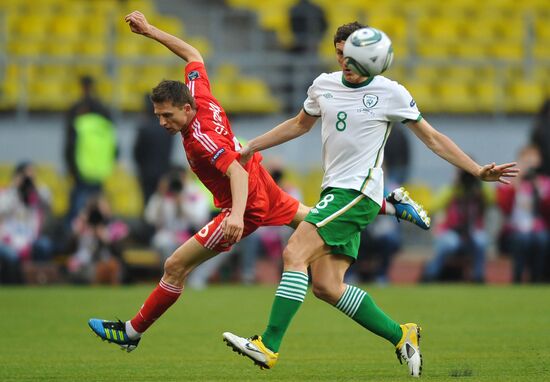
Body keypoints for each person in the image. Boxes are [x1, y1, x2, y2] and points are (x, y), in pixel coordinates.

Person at [88, 12, 430, 366]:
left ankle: (134, 332)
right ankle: (390, 218)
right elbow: (193, 55)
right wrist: (150, 31)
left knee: (175, 265)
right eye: (158, 116)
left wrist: (235, 216)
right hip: (262, 184)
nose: (162, 123)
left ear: (187, 109)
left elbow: (234, 170)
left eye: (167, 117)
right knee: (327, 285)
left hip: (246, 201)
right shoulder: (196, 94)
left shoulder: (202, 137)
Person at [221, 22, 518, 377]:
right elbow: (299, 124)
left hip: (358, 194)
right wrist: (252, 145)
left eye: (353, 55)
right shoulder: (324, 85)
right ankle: (402, 334)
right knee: (327, 287)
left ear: (372, 58)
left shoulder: (391, 93)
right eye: (341, 54)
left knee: (294, 252)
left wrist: (475, 170)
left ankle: (268, 344)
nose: (345, 61)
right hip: (334, 193)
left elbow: (433, 138)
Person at [421, 168, 493, 283]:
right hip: (451, 231)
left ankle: (478, 276)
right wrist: (453, 187)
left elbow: (493, 199)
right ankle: (431, 274)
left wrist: (481, 182)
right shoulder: (451, 189)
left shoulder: (479, 190)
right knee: (449, 243)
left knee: (481, 240)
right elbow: (432, 206)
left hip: (473, 231)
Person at [64, 75, 117, 227]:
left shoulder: (78, 118)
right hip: (99, 170)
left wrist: (71, 167)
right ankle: (101, 233)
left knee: (78, 207)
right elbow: (114, 147)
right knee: (98, 206)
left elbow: (70, 146)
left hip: (81, 170)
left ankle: (74, 236)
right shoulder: (104, 118)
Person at [496, 145, 550, 283]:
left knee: (542, 239)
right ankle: (517, 277)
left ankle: (537, 277)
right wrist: (516, 184)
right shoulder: (510, 183)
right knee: (523, 239)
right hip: (514, 229)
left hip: (538, 228)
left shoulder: (544, 183)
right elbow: (504, 208)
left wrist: (539, 190)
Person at [0, 162, 53, 284]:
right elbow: (2, 207)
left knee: (45, 245)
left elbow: (49, 202)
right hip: (9, 240)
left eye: (32, 175)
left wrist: (33, 186)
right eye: (26, 175)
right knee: (11, 255)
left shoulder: (36, 194)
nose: (28, 178)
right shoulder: (8, 194)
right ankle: (14, 285)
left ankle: (40, 281)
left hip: (30, 239)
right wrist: (15, 188)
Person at [144, 166, 210, 262]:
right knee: (163, 244)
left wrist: (182, 204)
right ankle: (170, 275)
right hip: (166, 237)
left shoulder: (194, 193)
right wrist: (161, 196)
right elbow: (150, 218)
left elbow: (200, 219)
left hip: (190, 236)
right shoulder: (162, 194)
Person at [67, 195, 128, 285]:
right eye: (100, 207)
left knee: (111, 266)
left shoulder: (115, 224)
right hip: (84, 260)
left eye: (105, 206)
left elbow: (119, 249)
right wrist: (81, 227)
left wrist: (103, 236)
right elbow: (70, 246)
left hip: (105, 260)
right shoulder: (83, 223)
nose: (102, 210)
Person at [133, 93, 175, 204]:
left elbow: (137, 152)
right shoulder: (167, 128)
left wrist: (141, 166)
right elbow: (170, 150)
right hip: (163, 172)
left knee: (147, 202)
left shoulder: (144, 128)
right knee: (162, 203)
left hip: (146, 173)